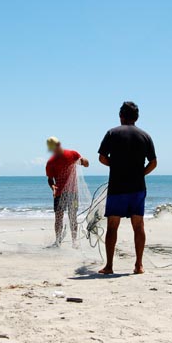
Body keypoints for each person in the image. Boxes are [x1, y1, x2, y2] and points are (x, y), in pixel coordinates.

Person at [97, 101, 157, 274]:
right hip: (137, 187)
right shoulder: (145, 136)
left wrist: (116, 167)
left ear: (121, 116)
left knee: (112, 227)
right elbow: (153, 163)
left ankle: (109, 266)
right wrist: (140, 174)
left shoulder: (112, 133)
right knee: (138, 226)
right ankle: (139, 265)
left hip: (117, 187)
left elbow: (102, 158)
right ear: (136, 117)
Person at [45, 136, 89, 247]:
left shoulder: (72, 154)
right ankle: (58, 240)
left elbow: (86, 164)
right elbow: (50, 179)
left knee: (72, 216)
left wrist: (84, 161)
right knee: (58, 217)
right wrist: (53, 187)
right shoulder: (51, 162)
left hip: (73, 192)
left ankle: (74, 241)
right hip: (59, 194)